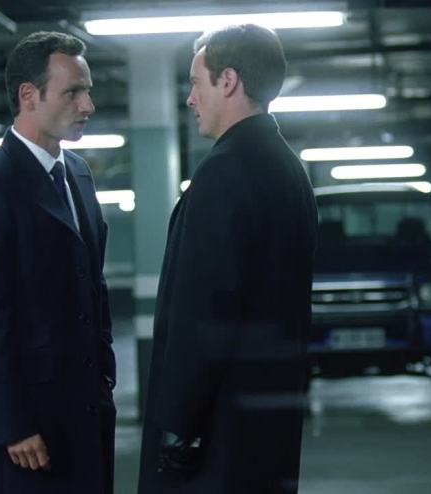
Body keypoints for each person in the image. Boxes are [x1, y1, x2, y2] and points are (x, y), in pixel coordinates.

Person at [138, 24, 318, 494]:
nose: (190, 99)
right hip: (267, 427)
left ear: (229, 81)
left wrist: (179, 426)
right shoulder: (289, 168)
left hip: (216, 439)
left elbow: (203, 314)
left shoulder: (224, 172)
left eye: (197, 83)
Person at [0, 31, 116, 494]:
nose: (87, 105)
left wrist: (104, 375)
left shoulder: (79, 175)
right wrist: (12, 423)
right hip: (26, 433)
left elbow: (93, 284)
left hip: (85, 412)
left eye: (88, 91)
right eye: (73, 92)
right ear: (29, 95)